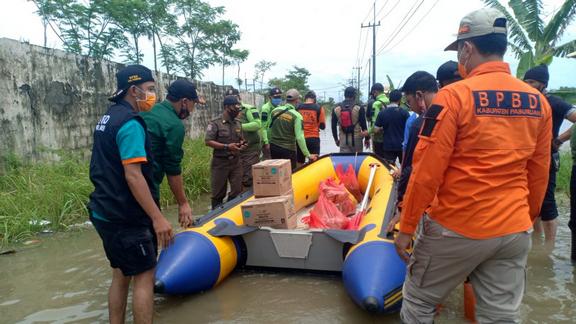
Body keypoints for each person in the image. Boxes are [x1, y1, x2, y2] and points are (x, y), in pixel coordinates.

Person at [395, 8, 552, 323]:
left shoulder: (453, 97)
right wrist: (524, 217)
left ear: (467, 48)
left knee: (418, 304)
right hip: (513, 229)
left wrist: (406, 227)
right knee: (500, 316)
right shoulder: (537, 101)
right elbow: (539, 175)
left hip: (457, 225)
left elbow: (427, 171)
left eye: (460, 51)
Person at [88, 64, 173, 324]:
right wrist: (158, 218)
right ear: (133, 90)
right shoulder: (131, 124)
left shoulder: (108, 117)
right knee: (145, 276)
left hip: (104, 211)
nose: (152, 95)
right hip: (126, 216)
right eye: (148, 89)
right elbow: (133, 175)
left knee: (120, 274)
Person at [523, 64, 576, 244]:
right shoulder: (524, 102)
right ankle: (537, 243)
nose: (528, 85)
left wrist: (559, 139)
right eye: (526, 81)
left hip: (547, 159)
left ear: (543, 84)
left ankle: (550, 247)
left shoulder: (554, 102)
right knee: (532, 202)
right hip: (527, 158)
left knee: (547, 203)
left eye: (532, 82)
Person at [141, 79, 199, 229]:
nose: (192, 110)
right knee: (149, 235)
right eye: (194, 104)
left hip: (123, 185)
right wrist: (183, 203)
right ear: (185, 102)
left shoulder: (148, 111)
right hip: (147, 187)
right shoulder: (174, 125)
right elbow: (172, 168)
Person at [205, 95, 246, 209]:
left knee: (237, 190)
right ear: (227, 107)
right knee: (218, 194)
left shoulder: (238, 123)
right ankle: (215, 217)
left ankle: (229, 211)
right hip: (220, 163)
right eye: (235, 107)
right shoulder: (215, 123)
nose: (237, 110)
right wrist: (227, 146)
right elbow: (208, 141)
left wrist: (242, 144)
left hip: (236, 162)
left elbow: (240, 139)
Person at [268, 89, 318, 170]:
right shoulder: (297, 116)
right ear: (297, 100)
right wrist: (308, 155)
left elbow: (269, 129)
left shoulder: (275, 111)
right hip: (288, 150)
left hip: (274, 148)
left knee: (277, 173)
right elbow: (299, 137)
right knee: (289, 175)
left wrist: (269, 143)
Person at [225, 88, 262, 190]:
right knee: (237, 178)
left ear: (239, 98)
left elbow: (257, 124)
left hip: (250, 149)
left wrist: (240, 127)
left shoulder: (248, 109)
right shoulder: (227, 112)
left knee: (248, 178)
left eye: (234, 98)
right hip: (236, 150)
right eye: (229, 98)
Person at [374, 89, 409, 164]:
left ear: (389, 99)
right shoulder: (404, 113)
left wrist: (382, 128)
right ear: (400, 100)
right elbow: (409, 128)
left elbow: (376, 130)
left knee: (389, 168)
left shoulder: (382, 113)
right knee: (403, 167)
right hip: (401, 146)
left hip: (388, 145)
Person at [331, 86, 370, 153]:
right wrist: (367, 139)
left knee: (344, 161)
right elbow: (364, 125)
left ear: (344, 95)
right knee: (357, 161)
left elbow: (333, 126)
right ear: (354, 95)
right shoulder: (359, 107)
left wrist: (336, 140)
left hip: (343, 140)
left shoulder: (336, 108)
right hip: (357, 140)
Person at [296, 90, 326, 166]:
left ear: (305, 99)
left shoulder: (298, 107)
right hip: (313, 138)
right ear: (314, 99)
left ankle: (299, 177)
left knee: (299, 162)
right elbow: (322, 126)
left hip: (300, 139)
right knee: (314, 162)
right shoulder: (319, 108)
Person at [260, 87, 283, 159]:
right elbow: (263, 127)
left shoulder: (279, 108)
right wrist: (266, 142)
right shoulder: (265, 109)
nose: (278, 99)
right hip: (268, 141)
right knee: (269, 162)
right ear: (270, 97)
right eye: (276, 97)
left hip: (276, 140)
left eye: (279, 97)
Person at [368, 83, 390, 157]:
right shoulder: (390, 101)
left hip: (378, 139)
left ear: (375, 92)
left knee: (379, 161)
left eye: (373, 94)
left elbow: (375, 123)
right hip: (389, 138)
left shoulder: (376, 104)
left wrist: (367, 132)